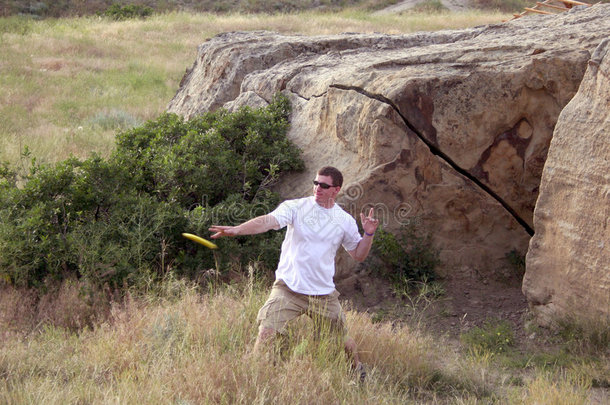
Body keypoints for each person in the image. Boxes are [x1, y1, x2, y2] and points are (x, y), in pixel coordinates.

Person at [209, 166, 379, 379]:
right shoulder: (295, 207)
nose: (317, 188)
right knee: (267, 332)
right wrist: (237, 230)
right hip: (288, 288)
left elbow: (358, 254)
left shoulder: (343, 220)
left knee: (342, 341)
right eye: (316, 183)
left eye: (324, 185)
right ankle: (252, 377)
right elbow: (268, 221)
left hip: (322, 294)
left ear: (336, 190)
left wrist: (369, 233)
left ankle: (358, 371)